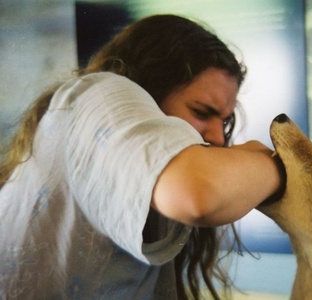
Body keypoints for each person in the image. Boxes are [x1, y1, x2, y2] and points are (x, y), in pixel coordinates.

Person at [0, 14, 283, 299]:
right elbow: (197, 192)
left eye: (223, 122)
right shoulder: (100, 94)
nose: (219, 138)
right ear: (148, 88)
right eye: (201, 112)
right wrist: (274, 162)